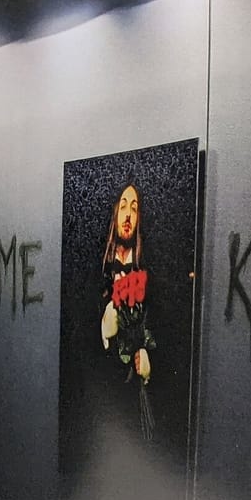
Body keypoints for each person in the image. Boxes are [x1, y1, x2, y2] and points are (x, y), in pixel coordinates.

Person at [101, 183, 155, 437]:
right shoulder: (101, 262)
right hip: (103, 380)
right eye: (123, 206)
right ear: (114, 212)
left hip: (133, 382)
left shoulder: (146, 262)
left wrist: (147, 352)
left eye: (134, 209)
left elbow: (156, 314)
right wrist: (103, 325)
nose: (128, 215)